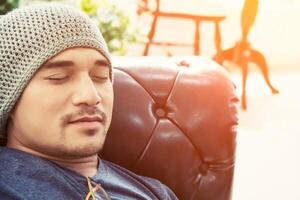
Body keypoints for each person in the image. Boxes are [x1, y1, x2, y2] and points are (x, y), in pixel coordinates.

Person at [0, 4, 178, 200]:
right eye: (58, 77)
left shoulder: (156, 192)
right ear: (10, 98)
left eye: (100, 76)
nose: (91, 96)